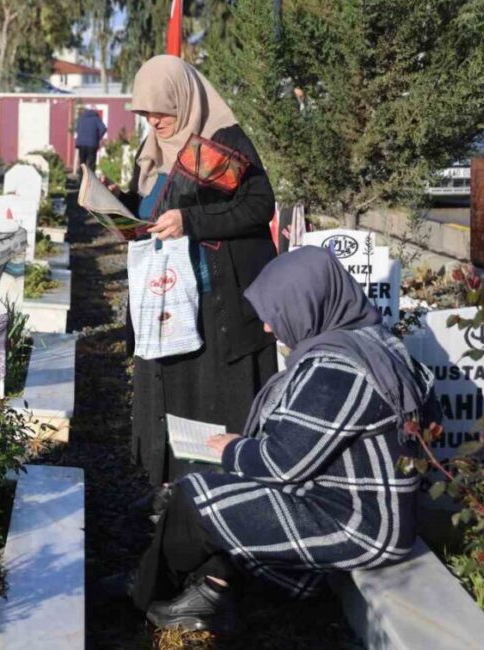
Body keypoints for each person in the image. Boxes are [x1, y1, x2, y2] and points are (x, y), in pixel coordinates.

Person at [121, 247, 435, 634]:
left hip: (359, 523)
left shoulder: (339, 369)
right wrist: (237, 452)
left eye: (276, 313)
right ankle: (209, 593)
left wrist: (232, 448)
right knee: (203, 492)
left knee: (194, 498)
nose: (269, 328)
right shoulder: (370, 343)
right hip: (347, 502)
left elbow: (281, 465)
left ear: (308, 301)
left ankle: (142, 593)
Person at [113, 55, 278, 488]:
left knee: (210, 401)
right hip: (164, 300)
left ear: (184, 99)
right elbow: (157, 207)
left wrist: (193, 224)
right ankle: (172, 493)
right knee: (171, 396)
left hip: (215, 304)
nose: (155, 120)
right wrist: (121, 206)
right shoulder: (151, 150)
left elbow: (259, 207)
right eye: (146, 113)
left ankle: (218, 492)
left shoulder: (224, 138)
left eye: (162, 110)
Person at [75, 108, 107, 174]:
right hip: (92, 144)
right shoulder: (96, 119)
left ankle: (81, 180)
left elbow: (77, 129)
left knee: (82, 163)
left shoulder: (81, 118)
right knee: (91, 163)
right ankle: (91, 180)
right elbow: (103, 128)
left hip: (81, 144)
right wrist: (98, 137)